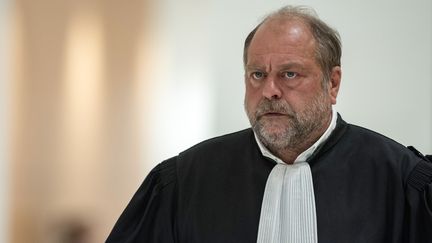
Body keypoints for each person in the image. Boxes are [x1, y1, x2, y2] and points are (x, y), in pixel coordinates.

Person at [106, 5, 432, 243]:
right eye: (257, 74)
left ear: (332, 84)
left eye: (289, 74)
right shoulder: (184, 181)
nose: (270, 90)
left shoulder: (404, 183)